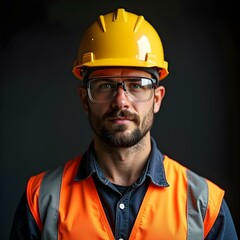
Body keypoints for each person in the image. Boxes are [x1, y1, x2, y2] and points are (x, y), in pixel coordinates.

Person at [9, 8, 238, 240]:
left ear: (157, 98)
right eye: (105, 85)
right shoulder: (40, 200)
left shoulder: (205, 206)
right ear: (84, 99)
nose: (121, 101)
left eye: (137, 84)